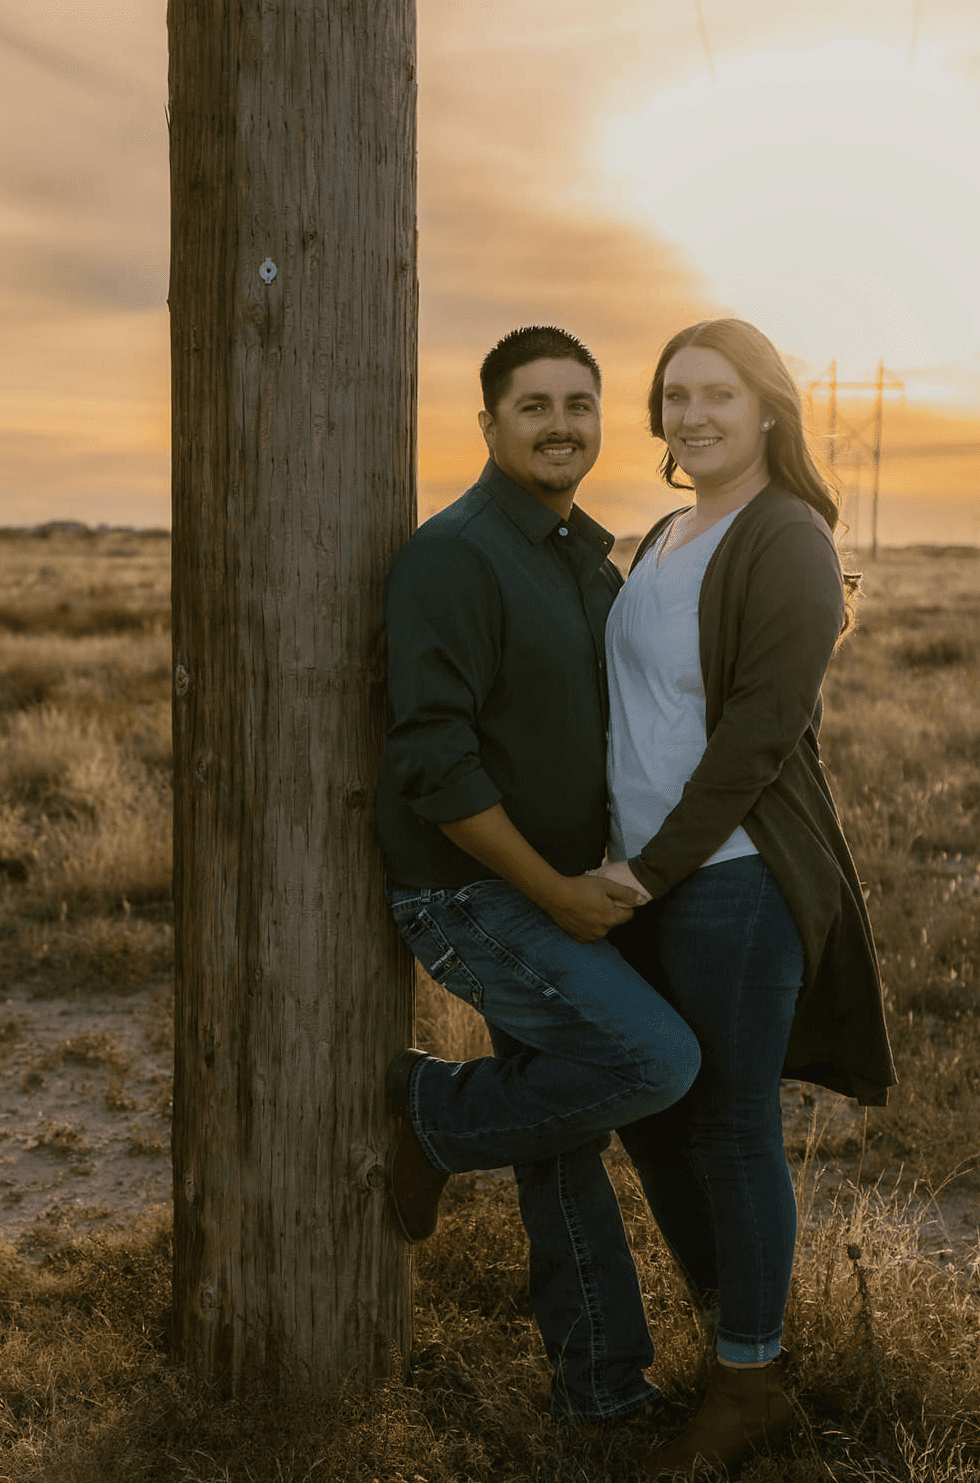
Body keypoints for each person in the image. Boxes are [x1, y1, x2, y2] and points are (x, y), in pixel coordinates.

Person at [377, 324, 700, 1427]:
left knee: (562, 1131)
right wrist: (556, 894)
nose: (561, 425)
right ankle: (431, 1113)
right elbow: (433, 756)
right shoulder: (456, 554)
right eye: (534, 406)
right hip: (469, 896)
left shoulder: (580, 558)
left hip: (560, 887)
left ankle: (600, 1392)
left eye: (579, 405)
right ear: (488, 426)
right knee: (654, 1061)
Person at [593, 317, 897, 1474]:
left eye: (716, 393)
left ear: (768, 406)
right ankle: (743, 1341)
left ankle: (748, 1378)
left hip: (731, 879)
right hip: (641, 874)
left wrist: (652, 867)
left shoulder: (788, 539)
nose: (693, 416)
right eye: (674, 396)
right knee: (647, 1103)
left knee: (726, 1122)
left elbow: (764, 733)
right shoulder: (668, 532)